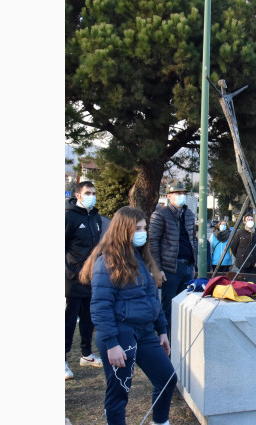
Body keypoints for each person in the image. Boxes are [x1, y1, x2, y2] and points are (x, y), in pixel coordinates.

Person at [80, 207, 176, 425]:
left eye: (144, 228)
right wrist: (112, 343)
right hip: (120, 334)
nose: (143, 233)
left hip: (144, 333)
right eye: (137, 229)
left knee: (167, 378)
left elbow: (153, 298)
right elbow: (100, 306)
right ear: (124, 231)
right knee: (119, 392)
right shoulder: (107, 262)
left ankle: (160, 422)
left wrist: (162, 330)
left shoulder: (141, 258)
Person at [65, 181, 104, 380]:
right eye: (88, 193)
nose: (92, 196)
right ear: (78, 195)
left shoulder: (96, 217)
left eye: (94, 193)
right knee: (69, 319)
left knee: (89, 318)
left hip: (91, 278)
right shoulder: (68, 216)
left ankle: (86, 354)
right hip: (71, 278)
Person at [149, 179, 197, 337]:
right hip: (170, 268)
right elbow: (153, 242)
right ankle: (166, 341)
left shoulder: (189, 214)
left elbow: (193, 239)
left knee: (184, 307)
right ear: (169, 196)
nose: (181, 196)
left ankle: (180, 341)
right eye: (178, 193)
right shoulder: (160, 214)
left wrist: (194, 265)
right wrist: (158, 269)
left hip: (187, 267)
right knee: (168, 308)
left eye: (183, 193)